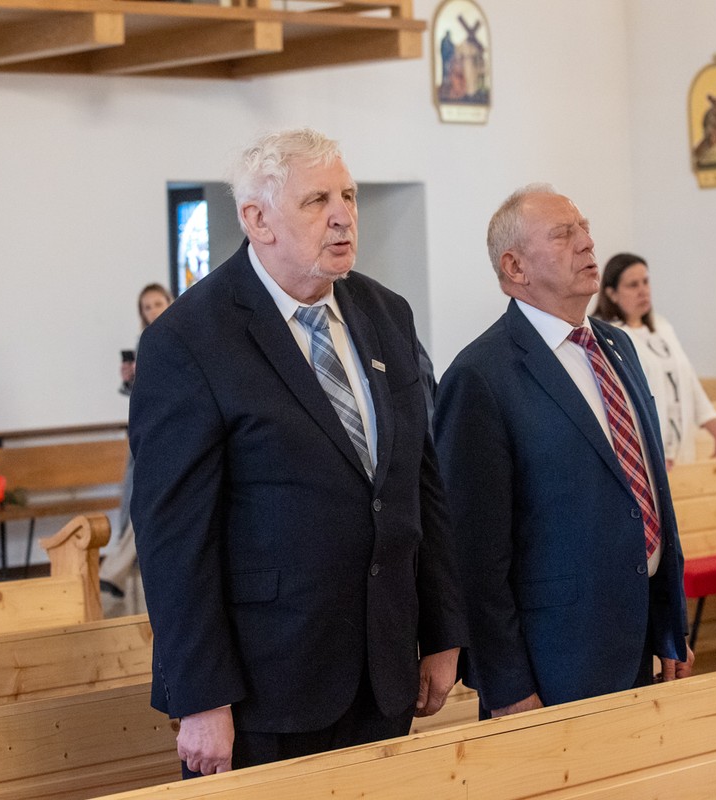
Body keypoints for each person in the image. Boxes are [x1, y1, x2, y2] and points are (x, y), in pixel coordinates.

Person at [129, 128, 467, 777]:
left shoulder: (386, 313)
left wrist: (443, 630)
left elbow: (419, 484)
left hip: (384, 668)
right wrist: (201, 698)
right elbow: (174, 539)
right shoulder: (189, 339)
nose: (343, 216)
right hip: (265, 687)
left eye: (348, 195)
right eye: (317, 200)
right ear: (257, 220)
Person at [433, 184, 693, 719]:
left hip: (637, 637)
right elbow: (474, 554)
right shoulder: (481, 375)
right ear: (515, 267)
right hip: (553, 658)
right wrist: (505, 685)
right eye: (563, 234)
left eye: (585, 228)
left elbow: (647, 491)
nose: (587, 243)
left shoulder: (616, 345)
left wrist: (670, 626)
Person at [593, 252, 716, 475]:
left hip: (681, 451)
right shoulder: (607, 336)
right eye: (633, 285)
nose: (643, 290)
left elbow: (690, 384)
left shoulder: (663, 328)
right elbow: (618, 404)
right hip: (645, 457)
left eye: (646, 281)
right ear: (611, 294)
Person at [100, 283, 173, 614]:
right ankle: (117, 576)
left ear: (169, 302)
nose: (153, 310)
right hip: (146, 432)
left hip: (170, 433)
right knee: (136, 503)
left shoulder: (179, 335)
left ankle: (113, 572)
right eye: (147, 307)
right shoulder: (144, 341)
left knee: (148, 508)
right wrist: (131, 379)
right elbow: (144, 395)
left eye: (158, 303)